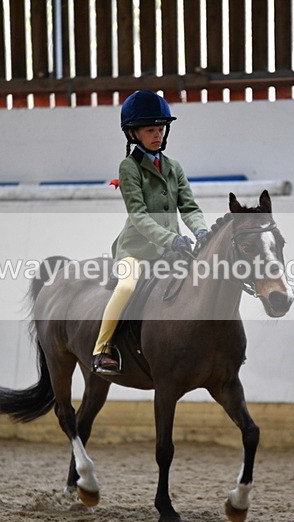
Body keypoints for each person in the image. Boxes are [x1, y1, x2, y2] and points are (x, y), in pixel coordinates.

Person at [92, 90, 210, 375]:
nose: (157, 135)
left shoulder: (174, 168)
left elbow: (190, 208)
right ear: (133, 133)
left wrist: (202, 232)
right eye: (150, 130)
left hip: (174, 250)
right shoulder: (129, 168)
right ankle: (102, 349)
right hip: (137, 251)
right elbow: (140, 217)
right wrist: (173, 239)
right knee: (127, 287)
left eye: (161, 129)